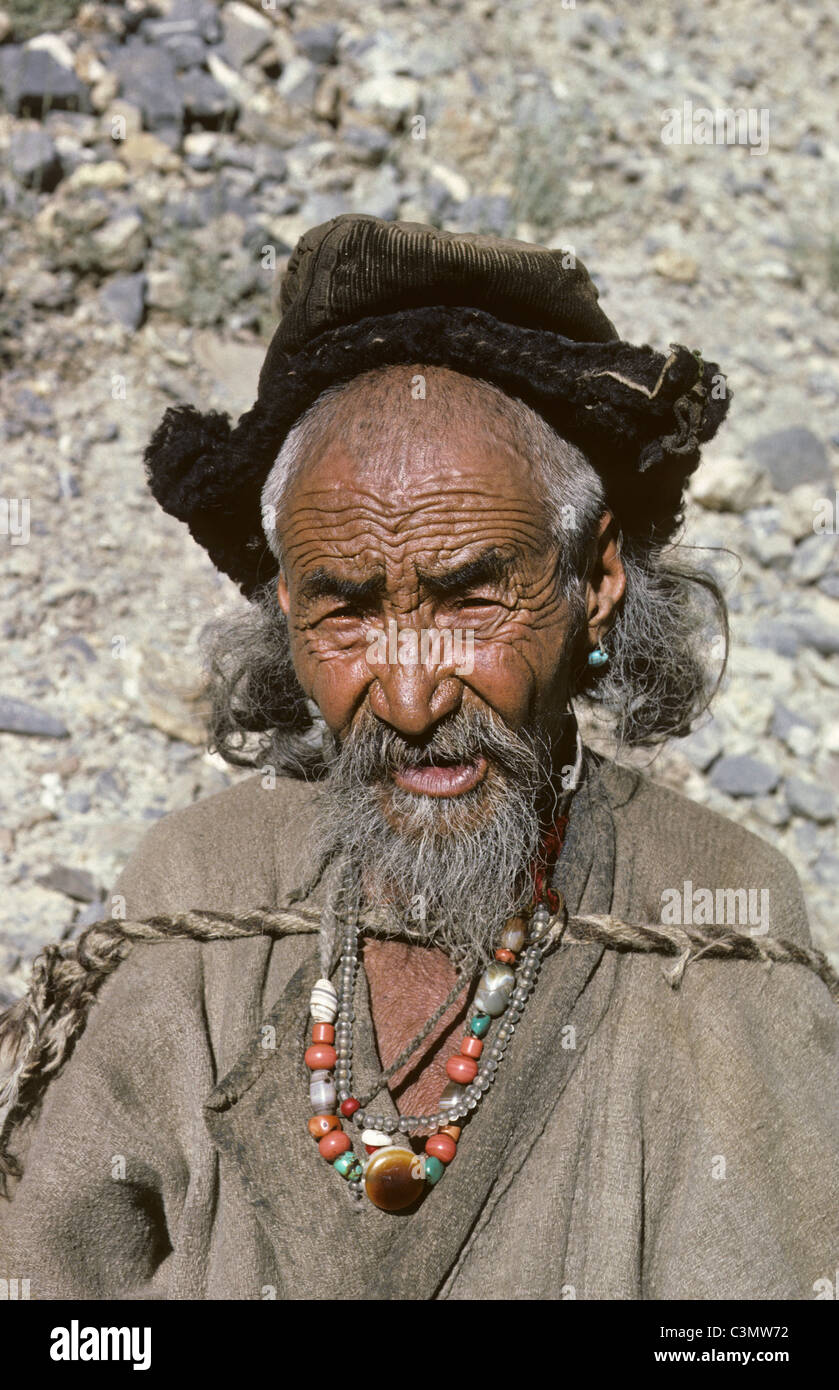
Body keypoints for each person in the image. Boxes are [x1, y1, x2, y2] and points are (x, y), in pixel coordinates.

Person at [1, 214, 837, 1300]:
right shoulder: (201, 893)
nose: (405, 694)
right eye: (345, 611)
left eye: (470, 596)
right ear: (285, 612)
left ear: (596, 580)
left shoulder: (712, 923)